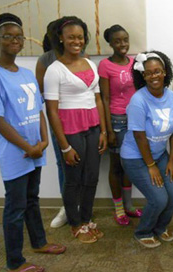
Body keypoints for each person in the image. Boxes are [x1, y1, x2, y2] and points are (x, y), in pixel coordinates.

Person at [0, 13, 65, 272]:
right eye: (8, 37)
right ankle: (15, 262)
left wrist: (45, 140)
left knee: (32, 199)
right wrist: (28, 147)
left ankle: (39, 242)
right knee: (15, 207)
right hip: (16, 153)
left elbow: (38, 109)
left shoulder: (26, 73)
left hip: (36, 148)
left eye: (19, 37)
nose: (15, 41)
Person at [44, 16, 107, 243]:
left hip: (93, 128)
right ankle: (75, 224)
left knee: (91, 177)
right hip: (70, 130)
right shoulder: (54, 69)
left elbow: (98, 100)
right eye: (71, 37)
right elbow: (52, 111)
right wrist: (64, 146)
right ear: (61, 38)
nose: (76, 41)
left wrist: (103, 131)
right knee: (73, 179)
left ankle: (87, 219)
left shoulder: (91, 64)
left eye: (80, 37)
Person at [120, 51, 173, 248]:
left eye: (158, 71)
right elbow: (139, 136)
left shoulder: (172, 97)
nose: (154, 76)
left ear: (165, 72)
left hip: (159, 154)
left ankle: (160, 227)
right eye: (149, 73)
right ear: (142, 76)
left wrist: (171, 160)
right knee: (158, 198)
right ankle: (143, 231)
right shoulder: (138, 100)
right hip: (136, 157)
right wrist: (151, 165)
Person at [99, 24, 142, 226]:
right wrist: (108, 130)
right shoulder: (105, 66)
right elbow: (105, 99)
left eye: (125, 39)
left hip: (134, 120)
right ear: (110, 43)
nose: (122, 44)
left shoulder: (135, 63)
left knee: (130, 165)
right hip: (117, 120)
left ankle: (129, 206)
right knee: (116, 166)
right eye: (117, 41)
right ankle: (119, 209)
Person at [35, 19, 68, 229]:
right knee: (63, 164)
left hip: (84, 122)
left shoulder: (83, 58)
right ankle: (67, 207)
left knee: (85, 166)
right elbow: (42, 95)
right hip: (58, 122)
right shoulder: (45, 60)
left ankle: (83, 208)